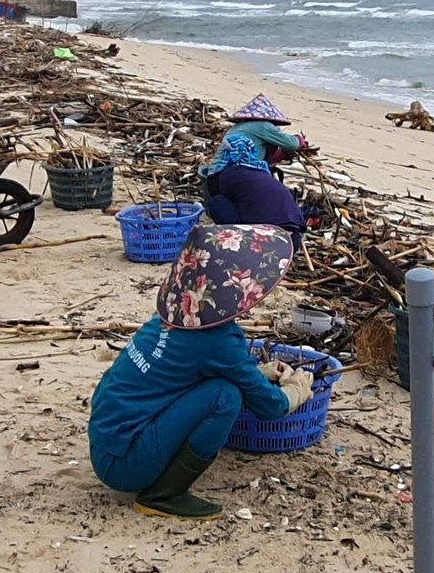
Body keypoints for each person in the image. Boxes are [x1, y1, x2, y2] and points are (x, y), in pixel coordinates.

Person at [86, 223, 313, 520]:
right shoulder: (218, 340)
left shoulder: (172, 316)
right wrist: (296, 389)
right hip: (125, 463)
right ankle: (162, 495)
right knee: (226, 396)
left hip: (107, 441)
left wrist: (259, 371)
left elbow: (183, 370)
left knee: (223, 385)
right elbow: (271, 406)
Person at [200, 95, 310, 238]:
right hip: (228, 180)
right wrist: (300, 140)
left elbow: (262, 155)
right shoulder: (263, 126)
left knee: (227, 204)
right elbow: (292, 143)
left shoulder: (239, 128)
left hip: (216, 178)